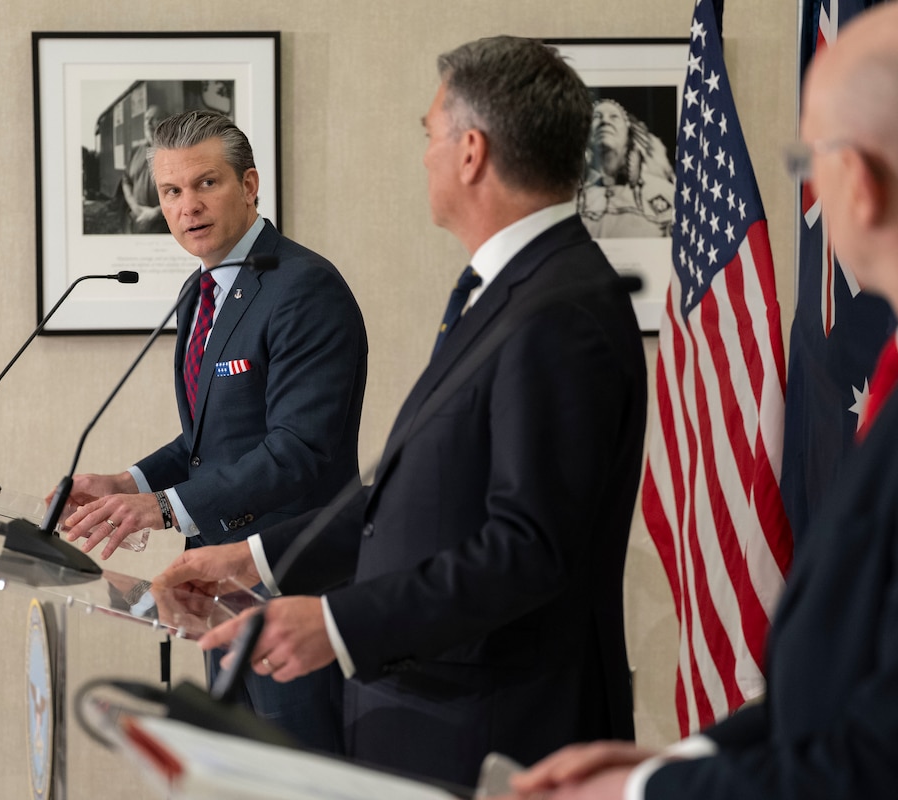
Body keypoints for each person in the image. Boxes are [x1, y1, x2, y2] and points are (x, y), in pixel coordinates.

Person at [505, 2, 898, 798]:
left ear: (862, 182)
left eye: (808, 161)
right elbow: (869, 671)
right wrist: (681, 761)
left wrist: (645, 797)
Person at [154, 36, 647, 788]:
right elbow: (412, 494)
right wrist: (252, 559)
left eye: (429, 134)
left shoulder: (559, 311)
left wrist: (337, 623)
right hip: (438, 713)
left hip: (498, 732)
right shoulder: (510, 291)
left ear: (472, 152)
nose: (424, 157)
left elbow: (525, 550)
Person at [57, 109, 368, 755]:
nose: (187, 206)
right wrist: (128, 483)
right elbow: (209, 443)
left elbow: (298, 450)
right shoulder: (201, 292)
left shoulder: (303, 288)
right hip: (213, 588)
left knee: (300, 778)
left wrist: (165, 507)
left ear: (249, 185)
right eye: (171, 191)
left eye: (206, 183)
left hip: (290, 586)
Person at [577, 98, 674, 239]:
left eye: (614, 117)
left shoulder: (663, 191)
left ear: (629, 133)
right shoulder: (570, 196)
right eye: (597, 117)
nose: (605, 121)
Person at [120, 104, 170, 234]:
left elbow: (183, 191)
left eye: (154, 118)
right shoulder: (135, 151)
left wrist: (156, 212)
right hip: (136, 220)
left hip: (164, 225)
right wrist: (134, 206)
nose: (148, 123)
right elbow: (126, 180)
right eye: (146, 118)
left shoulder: (175, 152)